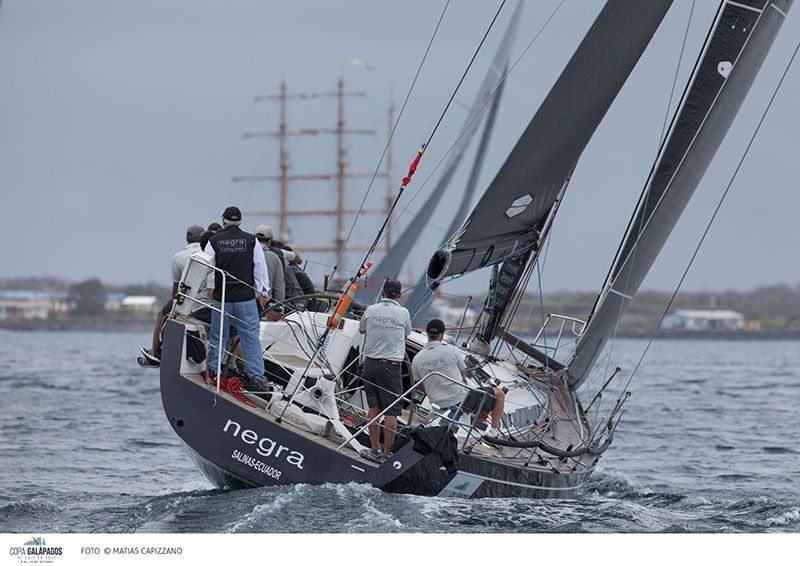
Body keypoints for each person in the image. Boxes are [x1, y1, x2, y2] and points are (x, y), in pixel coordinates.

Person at [203, 206, 271, 392]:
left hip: (222, 298)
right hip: (246, 298)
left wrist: (209, 288)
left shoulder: (214, 240)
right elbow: (259, 265)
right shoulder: (252, 241)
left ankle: (214, 371)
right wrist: (263, 291)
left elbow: (206, 265)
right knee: (250, 338)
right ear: (240, 222)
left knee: (219, 336)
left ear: (224, 221)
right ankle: (257, 378)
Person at [411, 319, 505, 437]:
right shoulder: (452, 350)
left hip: (437, 402)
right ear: (442, 335)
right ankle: (494, 432)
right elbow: (464, 379)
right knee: (499, 393)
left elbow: (421, 388)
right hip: (461, 401)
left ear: (427, 333)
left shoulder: (417, 358)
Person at [358, 279, 412, 463]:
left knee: (374, 407)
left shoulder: (371, 309)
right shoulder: (403, 312)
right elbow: (407, 333)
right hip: (390, 367)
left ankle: (374, 449)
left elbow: (362, 329)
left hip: (370, 365)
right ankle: (386, 453)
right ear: (399, 295)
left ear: (382, 293)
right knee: (391, 412)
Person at [139, 224, 205, 367]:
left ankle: (155, 352)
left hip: (185, 298)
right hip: (206, 301)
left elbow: (176, 288)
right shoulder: (209, 255)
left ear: (187, 239)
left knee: (160, 315)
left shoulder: (178, 257)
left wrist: (176, 307)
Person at [253, 225, 286, 304]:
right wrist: (280, 305)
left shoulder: (247, 254)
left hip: (247, 300)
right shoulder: (274, 257)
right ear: (270, 240)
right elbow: (279, 285)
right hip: (265, 301)